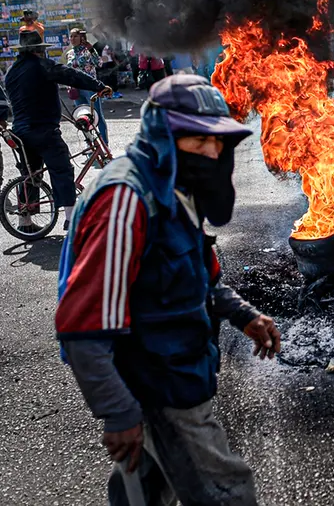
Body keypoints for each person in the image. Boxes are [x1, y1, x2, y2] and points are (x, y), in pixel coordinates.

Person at [55, 75, 280, 505]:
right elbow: (82, 325)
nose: (214, 152)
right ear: (166, 136)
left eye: (219, 142)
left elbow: (200, 274)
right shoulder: (126, 198)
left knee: (146, 489)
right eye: (201, 141)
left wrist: (243, 315)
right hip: (154, 384)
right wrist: (119, 412)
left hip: (180, 370)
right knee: (227, 490)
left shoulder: (172, 188)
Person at [2, 30, 111, 230]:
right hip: (43, 128)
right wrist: (98, 86)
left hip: (20, 131)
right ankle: (71, 217)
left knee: (30, 173)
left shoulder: (12, 72)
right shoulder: (41, 66)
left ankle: (24, 221)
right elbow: (70, 75)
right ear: (37, 50)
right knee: (61, 168)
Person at [64, 28, 109, 143]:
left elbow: (99, 63)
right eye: (71, 36)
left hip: (90, 88)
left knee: (97, 116)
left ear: (82, 38)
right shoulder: (70, 53)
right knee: (82, 119)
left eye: (75, 36)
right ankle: (91, 145)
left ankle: (105, 144)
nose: (72, 39)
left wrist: (91, 48)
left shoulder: (89, 50)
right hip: (76, 89)